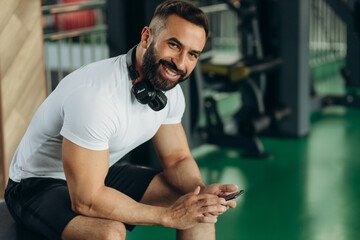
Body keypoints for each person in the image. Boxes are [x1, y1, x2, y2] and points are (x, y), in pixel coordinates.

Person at [4, 1, 239, 239]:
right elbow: (86, 201)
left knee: (199, 209)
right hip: (35, 184)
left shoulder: (169, 92)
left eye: (192, 54)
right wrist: (168, 216)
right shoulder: (96, 96)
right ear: (147, 37)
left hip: (96, 173)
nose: (180, 62)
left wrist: (201, 190)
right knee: (110, 233)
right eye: (174, 45)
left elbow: (178, 159)